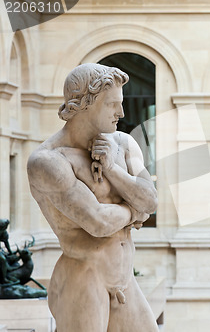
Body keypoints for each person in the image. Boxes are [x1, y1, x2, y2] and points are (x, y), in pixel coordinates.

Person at [27, 63, 158, 332]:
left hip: (122, 281)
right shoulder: (49, 161)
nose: (121, 113)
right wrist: (135, 212)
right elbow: (97, 222)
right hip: (82, 279)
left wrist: (112, 169)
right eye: (112, 104)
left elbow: (151, 200)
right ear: (85, 104)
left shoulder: (121, 143)